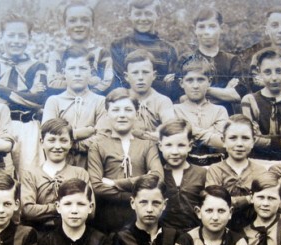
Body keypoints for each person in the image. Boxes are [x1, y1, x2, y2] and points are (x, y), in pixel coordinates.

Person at [88, 88, 164, 233]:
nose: (122, 115)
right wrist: (139, 197)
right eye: (115, 110)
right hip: (108, 218)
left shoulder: (147, 145)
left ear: (136, 113)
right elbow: (97, 187)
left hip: (141, 218)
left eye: (128, 109)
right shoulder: (97, 146)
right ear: (107, 114)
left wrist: (116, 183)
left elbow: (158, 178)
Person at [0, 13, 48, 174]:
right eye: (11, 35)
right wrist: (27, 94)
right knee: (1, 176)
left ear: (29, 37)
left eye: (21, 36)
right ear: (1, 37)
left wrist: (1, 91)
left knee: (29, 175)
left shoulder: (38, 66)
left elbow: (38, 100)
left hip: (27, 126)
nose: (16, 40)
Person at [21, 118, 91, 232]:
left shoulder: (80, 173)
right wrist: (60, 207)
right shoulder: (31, 174)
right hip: (39, 235)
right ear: (42, 142)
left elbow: (90, 211)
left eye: (63, 140)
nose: (57, 146)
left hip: (73, 233)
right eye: (52, 140)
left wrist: (44, 210)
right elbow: (28, 211)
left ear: (71, 143)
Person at [42, 46, 107, 168]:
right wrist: (86, 132)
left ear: (91, 72)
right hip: (59, 167)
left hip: (92, 167)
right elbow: (48, 136)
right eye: (72, 68)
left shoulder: (100, 102)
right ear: (63, 72)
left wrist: (70, 143)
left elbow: (102, 139)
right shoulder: (54, 101)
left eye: (82, 68)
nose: (77, 74)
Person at [175, 7, 245, 115]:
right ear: (195, 30)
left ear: (221, 28)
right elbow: (182, 98)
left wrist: (200, 90)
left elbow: (236, 96)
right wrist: (223, 92)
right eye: (201, 27)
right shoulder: (185, 59)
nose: (207, 32)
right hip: (193, 117)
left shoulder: (232, 60)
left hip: (225, 119)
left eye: (212, 26)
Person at [205, 115, 267, 231]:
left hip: (254, 228)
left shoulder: (260, 171)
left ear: (253, 142)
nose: (239, 144)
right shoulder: (215, 170)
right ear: (223, 141)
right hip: (222, 228)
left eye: (245, 138)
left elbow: (264, 201)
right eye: (233, 138)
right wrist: (249, 199)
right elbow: (216, 202)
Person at [110, 0, 178, 97]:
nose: (143, 18)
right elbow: (121, 82)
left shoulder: (168, 49)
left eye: (148, 13)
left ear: (157, 14)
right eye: (138, 14)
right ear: (130, 15)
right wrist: (161, 83)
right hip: (127, 105)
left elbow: (173, 88)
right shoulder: (118, 46)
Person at [104, 49, 175, 141]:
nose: (140, 77)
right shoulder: (118, 98)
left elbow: (171, 131)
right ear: (126, 77)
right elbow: (106, 130)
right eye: (135, 73)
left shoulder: (162, 101)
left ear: (154, 75)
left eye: (145, 72)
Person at [46, 1, 114, 95]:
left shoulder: (102, 54)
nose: (79, 25)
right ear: (65, 25)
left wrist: (88, 95)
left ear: (92, 24)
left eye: (85, 20)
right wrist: (87, 83)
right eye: (72, 20)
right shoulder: (57, 54)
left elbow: (107, 82)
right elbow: (52, 83)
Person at [173, 58, 228, 167]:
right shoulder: (175, 109)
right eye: (190, 80)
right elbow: (178, 142)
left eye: (200, 80)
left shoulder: (220, 110)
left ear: (209, 81)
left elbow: (222, 144)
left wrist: (189, 129)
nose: (195, 86)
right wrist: (210, 132)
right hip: (185, 168)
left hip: (215, 167)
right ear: (181, 83)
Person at [158, 119, 206, 231]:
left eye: (181, 145)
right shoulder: (158, 174)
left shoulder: (201, 174)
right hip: (165, 237)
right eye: (168, 145)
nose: (175, 152)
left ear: (190, 146)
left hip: (195, 234)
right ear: (160, 146)